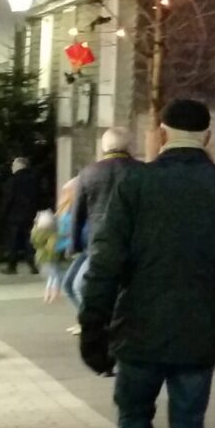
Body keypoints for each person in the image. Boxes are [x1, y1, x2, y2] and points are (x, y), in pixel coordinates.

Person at [79, 99, 215, 428]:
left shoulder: (134, 184)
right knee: (189, 422)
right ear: (207, 138)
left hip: (136, 329)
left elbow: (105, 261)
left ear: (162, 135)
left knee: (133, 418)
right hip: (198, 330)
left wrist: (94, 329)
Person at [67, 127, 141, 319]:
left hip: (100, 243)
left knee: (85, 287)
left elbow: (78, 213)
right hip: (134, 242)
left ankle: (101, 323)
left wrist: (73, 245)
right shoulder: (142, 171)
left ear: (104, 146)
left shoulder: (89, 173)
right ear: (129, 146)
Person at [0, 156, 44, 274]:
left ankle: (12, 266)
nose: (12, 167)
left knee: (13, 241)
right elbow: (40, 196)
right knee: (30, 240)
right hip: (31, 214)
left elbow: (8, 199)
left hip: (15, 215)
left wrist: (3, 213)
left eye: (14, 165)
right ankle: (33, 264)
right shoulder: (34, 179)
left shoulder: (12, 180)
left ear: (20, 165)